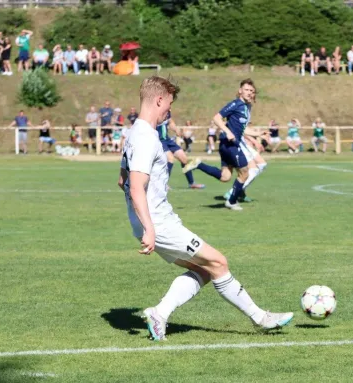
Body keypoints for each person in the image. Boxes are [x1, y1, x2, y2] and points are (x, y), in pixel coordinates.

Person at [118, 76, 293, 340]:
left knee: (204, 270)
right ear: (159, 100)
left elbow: (122, 180)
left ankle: (159, 314)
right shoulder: (146, 137)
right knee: (219, 262)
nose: (169, 111)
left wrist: (142, 215)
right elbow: (134, 186)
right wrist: (150, 227)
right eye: (169, 105)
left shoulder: (134, 133)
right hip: (157, 223)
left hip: (151, 220)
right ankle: (261, 318)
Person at [182, 79, 257, 211]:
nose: (249, 93)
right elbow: (216, 117)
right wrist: (227, 131)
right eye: (246, 90)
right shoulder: (235, 104)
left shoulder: (245, 107)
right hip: (230, 144)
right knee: (245, 173)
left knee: (225, 177)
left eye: (252, 91)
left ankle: (199, 164)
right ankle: (232, 201)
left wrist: (259, 134)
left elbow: (242, 129)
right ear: (240, 91)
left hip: (229, 144)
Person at [155, 111, 205, 190]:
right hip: (158, 140)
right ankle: (163, 184)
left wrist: (176, 129)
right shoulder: (155, 111)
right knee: (170, 159)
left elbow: (170, 121)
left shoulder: (167, 111)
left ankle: (191, 183)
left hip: (167, 140)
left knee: (184, 158)